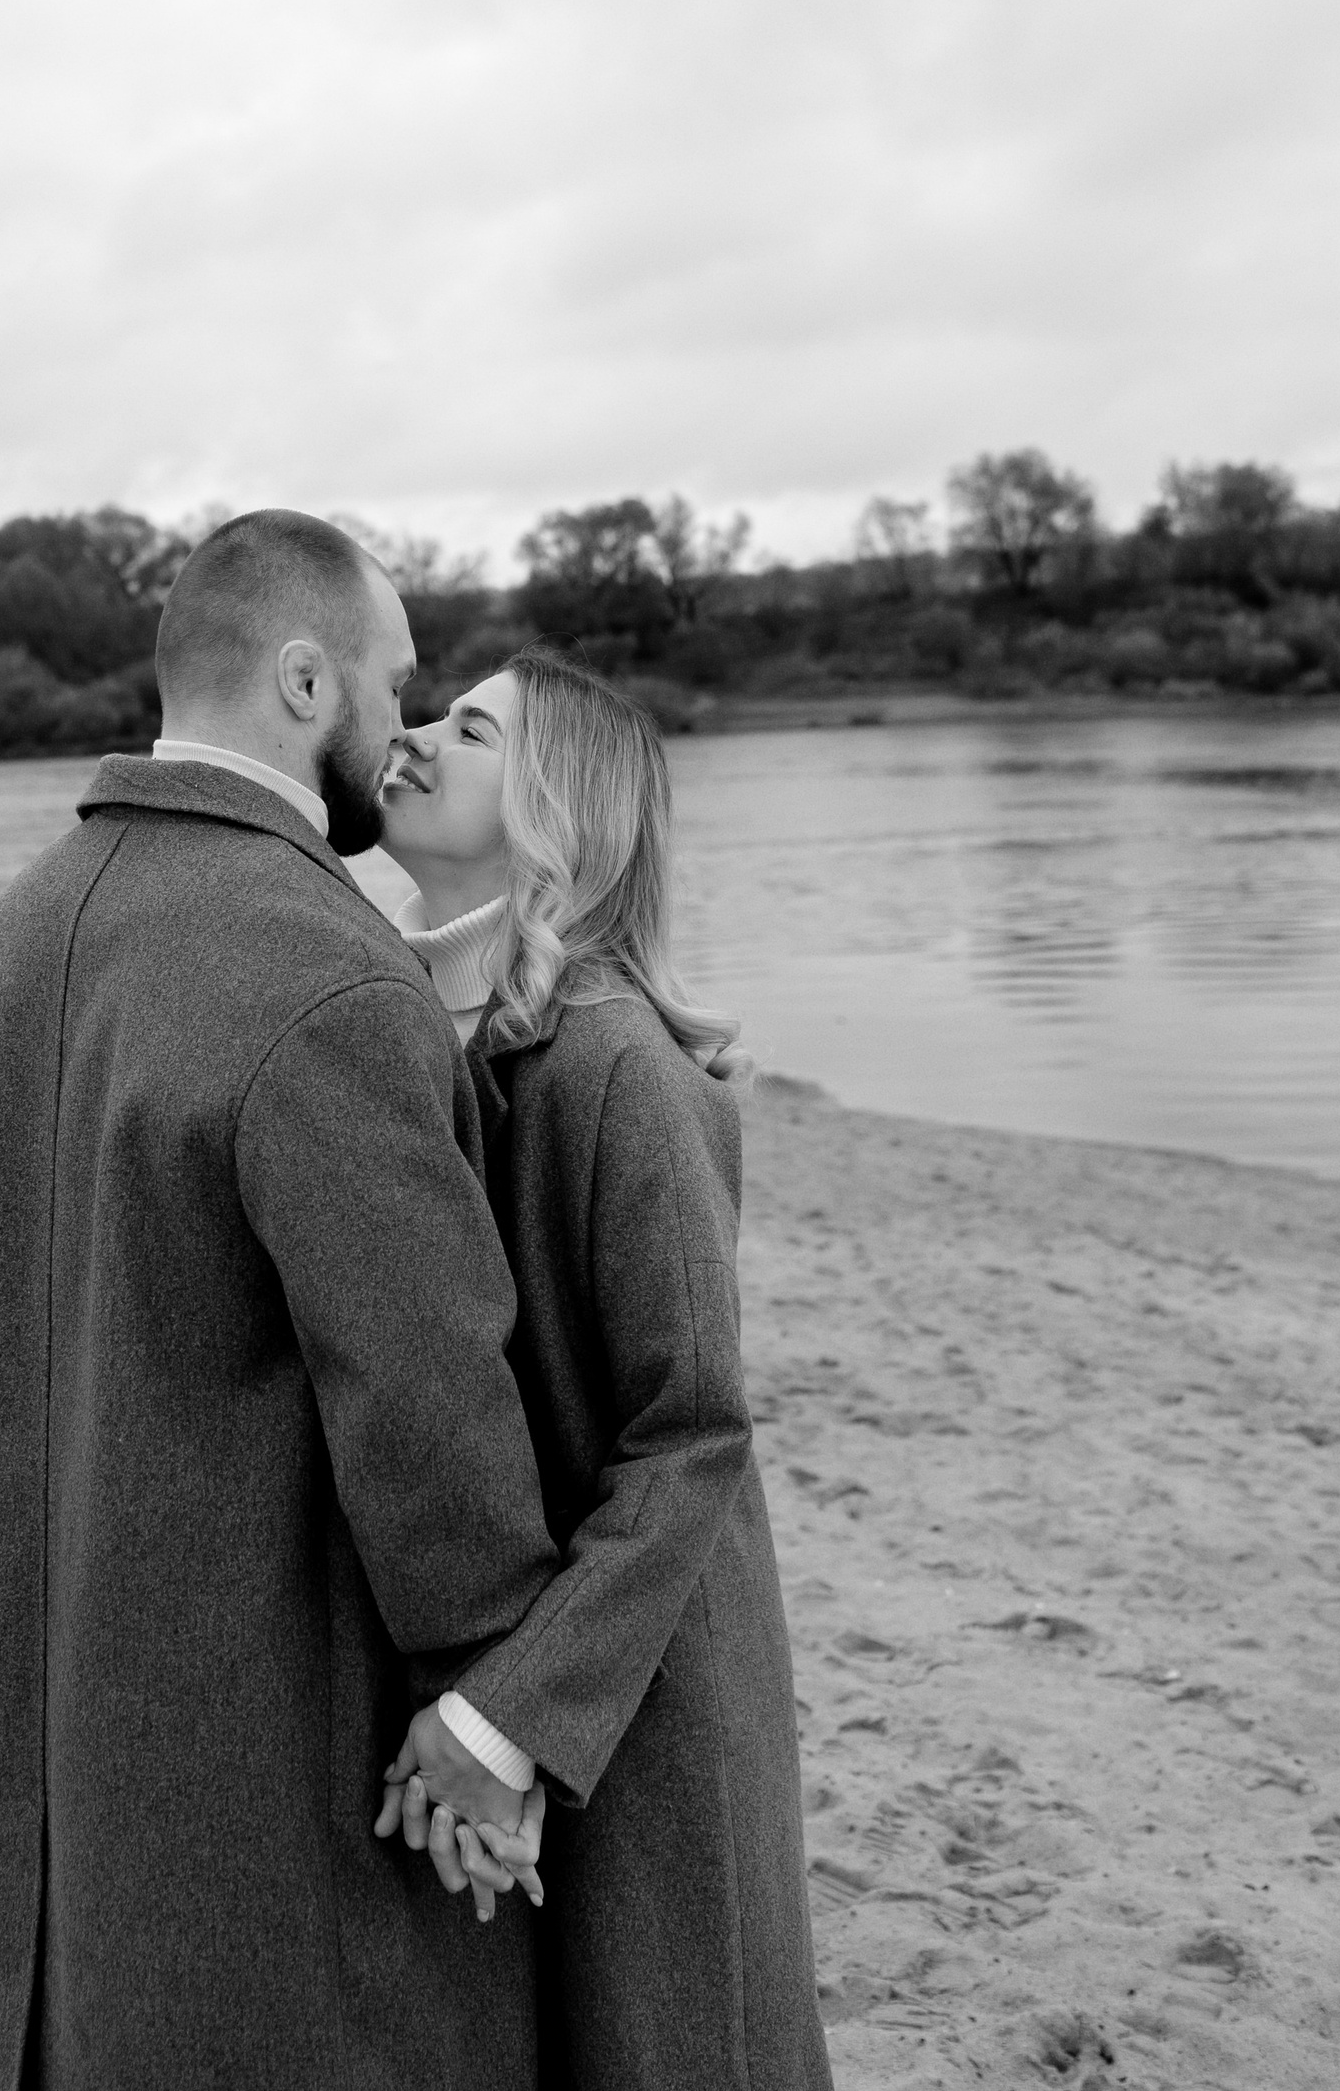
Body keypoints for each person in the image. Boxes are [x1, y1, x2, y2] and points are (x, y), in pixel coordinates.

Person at [0, 513, 565, 2089]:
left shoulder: (9, 942)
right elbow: (427, 1400)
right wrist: (493, 1698)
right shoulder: (327, 973)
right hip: (266, 1772)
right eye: (392, 681)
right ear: (303, 680)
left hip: (57, 1761)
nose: (401, 725)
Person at [373, 646, 836, 2091]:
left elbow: (692, 1434)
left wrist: (507, 1713)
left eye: (467, 731)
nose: (410, 738)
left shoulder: (617, 1066)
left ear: (554, 815)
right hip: (526, 1661)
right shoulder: (427, 1033)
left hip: (645, 1686)